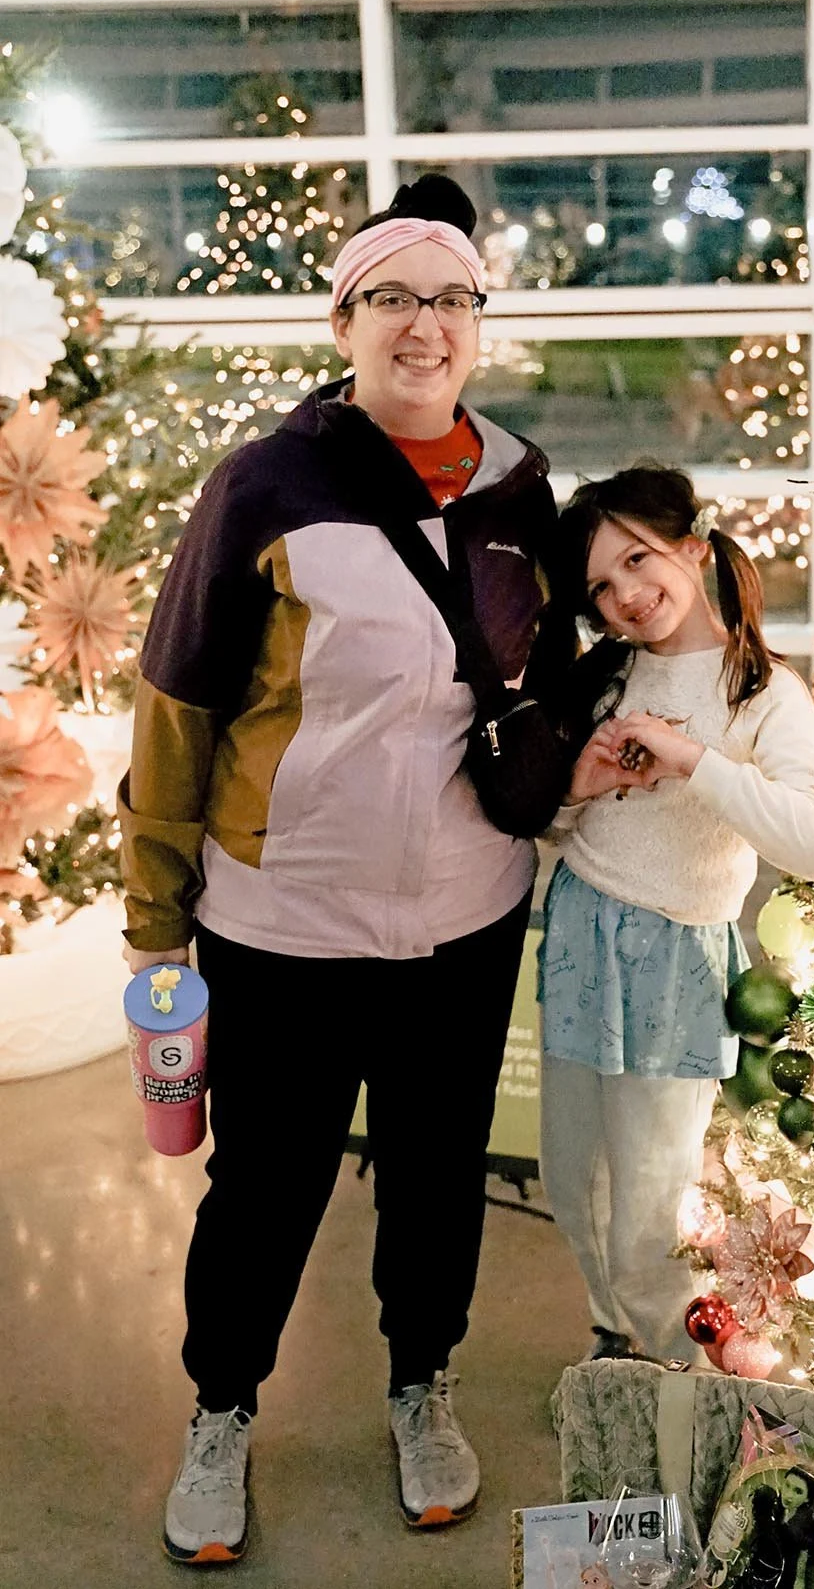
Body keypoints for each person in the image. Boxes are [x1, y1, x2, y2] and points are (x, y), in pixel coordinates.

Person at [118, 173, 565, 1563]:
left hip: (465, 910)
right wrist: (155, 924)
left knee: (435, 1179)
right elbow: (177, 705)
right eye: (392, 299)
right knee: (266, 1188)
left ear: (478, 323)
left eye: (448, 299)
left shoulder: (519, 482)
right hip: (284, 920)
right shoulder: (264, 483)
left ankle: (420, 1386)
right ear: (345, 320)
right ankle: (222, 1404)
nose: (422, 326)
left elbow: (540, 671)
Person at [538, 466, 814, 1364]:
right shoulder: (605, 678)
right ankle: (616, 1335)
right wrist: (576, 790)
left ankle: (683, 1365)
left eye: (638, 559)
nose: (627, 594)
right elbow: (551, 826)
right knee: (571, 1176)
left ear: (694, 548)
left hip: (676, 959)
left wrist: (691, 758)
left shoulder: (764, 692)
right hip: (580, 936)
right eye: (601, 584)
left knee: (652, 1196)